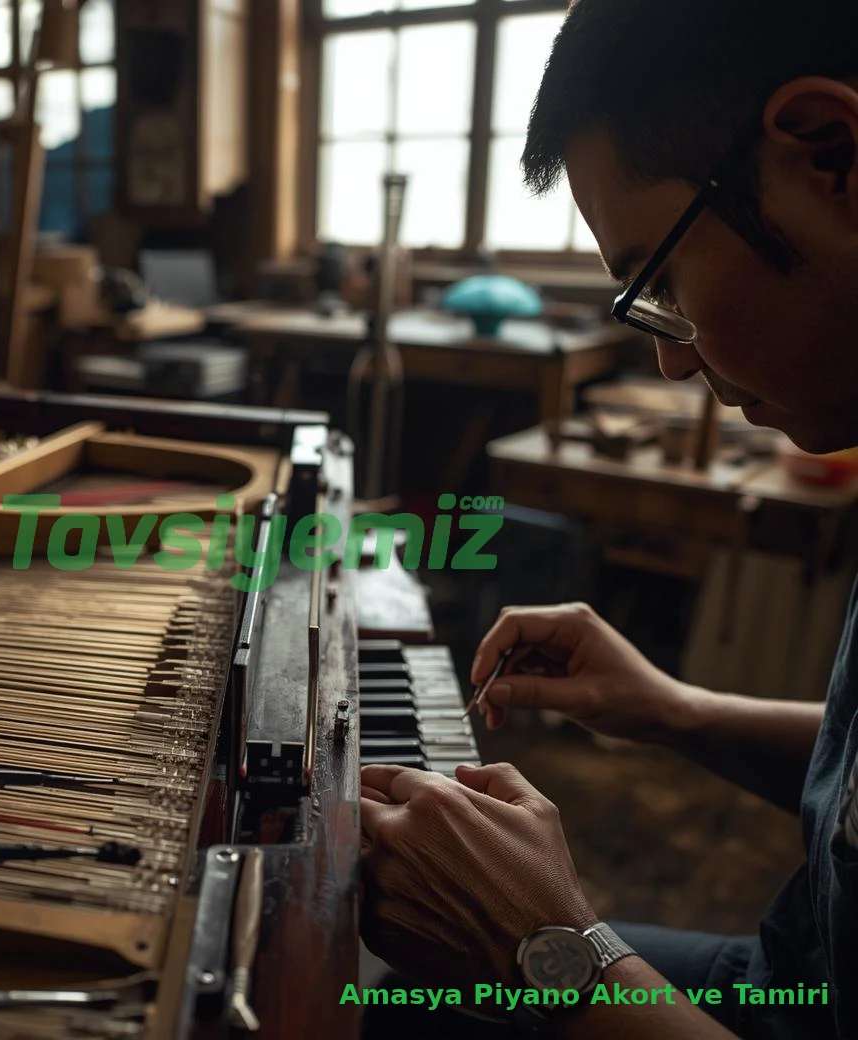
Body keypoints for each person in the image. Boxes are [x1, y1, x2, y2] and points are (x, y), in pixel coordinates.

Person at [359, 1, 858, 1037]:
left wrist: (553, 950)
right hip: (794, 974)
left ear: (831, 153)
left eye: (662, 276)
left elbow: (554, 963)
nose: (672, 353)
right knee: (398, 998)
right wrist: (674, 707)